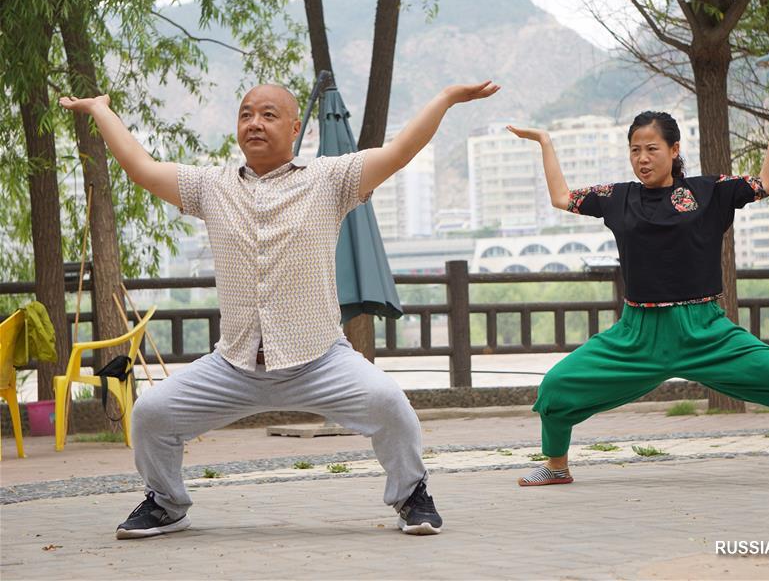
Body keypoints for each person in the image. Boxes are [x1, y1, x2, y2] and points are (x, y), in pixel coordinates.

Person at [60, 79, 500, 539]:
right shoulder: (211, 186)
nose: (255, 122)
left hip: (320, 360)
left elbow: (399, 151)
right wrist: (100, 110)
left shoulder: (330, 179)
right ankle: (167, 503)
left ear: (294, 129)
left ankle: (411, 495)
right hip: (234, 365)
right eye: (246, 114)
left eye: (268, 115)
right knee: (151, 413)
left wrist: (444, 97)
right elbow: (142, 169)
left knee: (389, 404)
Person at [506, 107, 769, 490]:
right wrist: (545, 141)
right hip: (637, 335)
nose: (642, 158)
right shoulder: (616, 198)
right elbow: (560, 197)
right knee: (556, 387)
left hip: (704, 329)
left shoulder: (709, 192)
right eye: (635, 150)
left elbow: (768, 183)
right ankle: (556, 466)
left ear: (674, 150)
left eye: (651, 148)